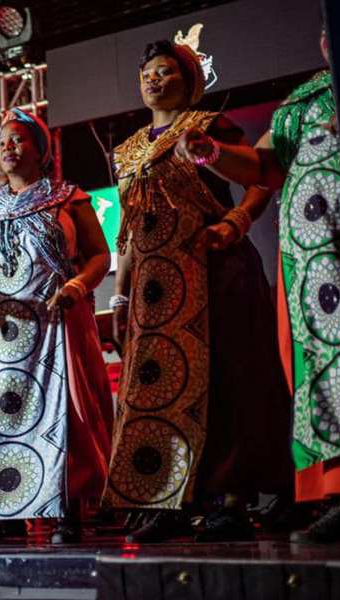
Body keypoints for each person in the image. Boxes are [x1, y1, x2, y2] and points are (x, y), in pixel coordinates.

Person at [174, 25, 340, 544]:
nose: (331, 34)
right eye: (327, 28)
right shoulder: (304, 101)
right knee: (327, 375)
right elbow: (264, 165)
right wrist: (210, 151)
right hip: (316, 268)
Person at [104, 40, 293, 543]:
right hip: (153, 289)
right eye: (148, 72)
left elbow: (261, 175)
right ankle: (167, 500)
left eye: (166, 71)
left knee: (228, 381)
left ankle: (233, 500)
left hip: (215, 271)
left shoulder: (208, 126)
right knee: (156, 388)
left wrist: (234, 223)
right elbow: (128, 227)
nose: (153, 79)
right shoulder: (127, 150)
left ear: (188, 81)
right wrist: (120, 297)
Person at [0, 108, 114, 545]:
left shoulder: (67, 197)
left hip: (58, 321)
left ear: (41, 148)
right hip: (3, 333)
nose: (7, 148)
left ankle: (67, 511)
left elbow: (99, 255)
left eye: (17, 139)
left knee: (62, 414)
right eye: (2, 142)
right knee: (0, 416)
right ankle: (0, 513)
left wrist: (76, 285)